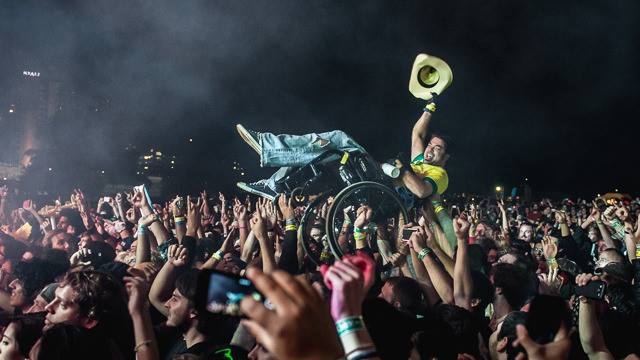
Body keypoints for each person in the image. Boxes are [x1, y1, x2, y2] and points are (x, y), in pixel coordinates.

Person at [235, 95, 449, 203]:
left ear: (445, 157)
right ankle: (274, 185)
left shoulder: (439, 175)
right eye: (430, 144)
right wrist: (430, 106)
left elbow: (421, 191)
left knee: (338, 137)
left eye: (437, 148)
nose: (429, 148)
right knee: (323, 152)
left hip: (382, 191)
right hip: (375, 180)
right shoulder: (421, 161)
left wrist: (402, 170)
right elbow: (418, 134)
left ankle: (267, 146)